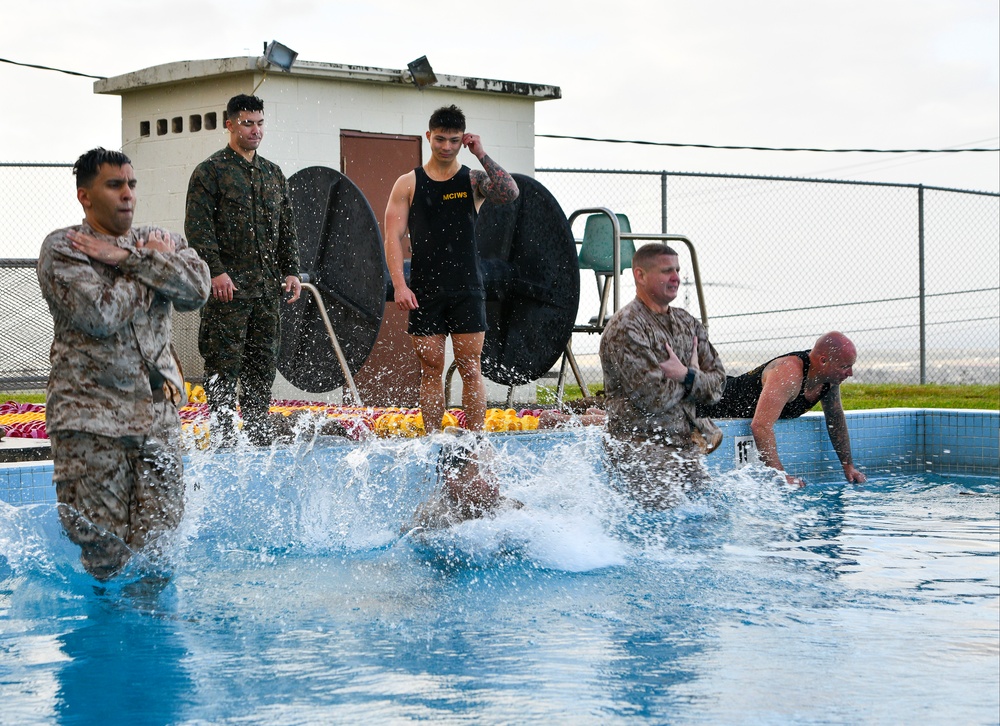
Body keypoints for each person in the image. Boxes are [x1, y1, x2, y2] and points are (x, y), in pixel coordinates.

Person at [37, 147, 211, 580]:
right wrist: (152, 267)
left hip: (158, 419)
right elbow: (100, 315)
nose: (127, 194)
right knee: (105, 552)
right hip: (92, 421)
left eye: (131, 184)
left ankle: (152, 642)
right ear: (85, 196)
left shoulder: (157, 239)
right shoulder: (64, 248)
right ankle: (107, 643)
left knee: (159, 551)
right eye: (114, 185)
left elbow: (198, 289)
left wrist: (131, 258)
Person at [384, 105, 519, 434]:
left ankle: (474, 440)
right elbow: (392, 236)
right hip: (425, 290)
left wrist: (481, 154)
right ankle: (432, 440)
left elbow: (510, 192)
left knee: (470, 367)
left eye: (454, 141)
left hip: (467, 288)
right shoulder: (408, 183)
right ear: (428, 136)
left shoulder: (472, 180)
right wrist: (401, 286)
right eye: (440, 139)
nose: (446, 147)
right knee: (430, 369)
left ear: (463, 141)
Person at [185, 94, 301, 446]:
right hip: (229, 292)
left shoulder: (272, 173)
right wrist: (216, 271)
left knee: (262, 366)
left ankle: (256, 432)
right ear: (230, 124)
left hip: (266, 293)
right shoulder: (211, 172)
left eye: (260, 123)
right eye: (248, 123)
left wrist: (292, 270)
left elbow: (287, 229)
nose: (255, 130)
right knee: (223, 366)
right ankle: (223, 436)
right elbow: (198, 228)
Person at [599, 243, 726, 507]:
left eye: (677, 270)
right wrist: (694, 379)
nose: (676, 277)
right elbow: (653, 398)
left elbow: (718, 387)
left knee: (708, 516)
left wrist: (686, 375)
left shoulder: (687, 323)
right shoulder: (626, 328)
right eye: (666, 271)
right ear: (640, 275)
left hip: (685, 447)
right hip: (640, 449)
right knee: (665, 526)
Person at [699, 332, 867, 486]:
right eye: (845, 366)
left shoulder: (828, 380)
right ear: (823, 361)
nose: (850, 373)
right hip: (706, 401)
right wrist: (781, 476)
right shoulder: (789, 372)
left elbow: (835, 419)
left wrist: (848, 466)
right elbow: (760, 427)